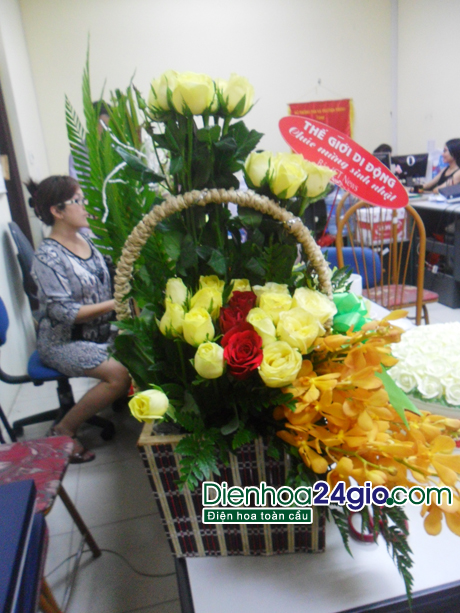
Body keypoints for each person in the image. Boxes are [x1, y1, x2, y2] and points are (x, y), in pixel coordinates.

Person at [28, 175, 131, 463]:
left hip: (99, 332)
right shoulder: (47, 257)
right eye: (78, 201)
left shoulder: (85, 240)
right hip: (63, 342)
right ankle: (63, 429)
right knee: (120, 375)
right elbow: (65, 313)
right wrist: (116, 303)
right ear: (57, 211)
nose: (85, 206)